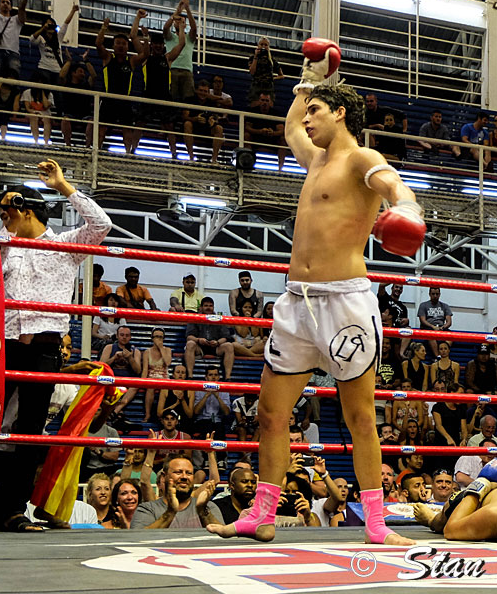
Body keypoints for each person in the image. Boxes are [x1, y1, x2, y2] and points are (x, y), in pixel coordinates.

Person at [208, 43, 424, 546]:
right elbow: (286, 129)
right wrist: (307, 81)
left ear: (341, 112)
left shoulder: (360, 159)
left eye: (316, 112)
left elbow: (393, 186)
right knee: (270, 413)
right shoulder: (315, 159)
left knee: (359, 417)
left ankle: (376, 524)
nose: (306, 121)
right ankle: (261, 516)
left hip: (345, 302)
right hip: (295, 302)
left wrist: (407, 209)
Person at [0, 160, 111, 535]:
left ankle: (14, 510)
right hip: (0, 346)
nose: (2, 218)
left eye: (7, 212)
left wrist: (63, 186)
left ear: (26, 211)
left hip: (43, 349)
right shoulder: (2, 246)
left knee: (29, 432)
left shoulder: (64, 246)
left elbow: (102, 225)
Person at [94, 11, 149, 152]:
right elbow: (98, 44)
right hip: (108, 99)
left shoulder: (130, 61)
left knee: (127, 130)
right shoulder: (108, 57)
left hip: (124, 100)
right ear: (113, 45)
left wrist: (146, 38)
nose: (120, 46)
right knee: (101, 129)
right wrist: (104, 28)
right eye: (118, 43)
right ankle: (97, 152)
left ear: (127, 47)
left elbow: (145, 54)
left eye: (123, 44)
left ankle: (128, 155)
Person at [137, 24, 186, 159]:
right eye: (155, 43)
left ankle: (174, 154)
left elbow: (182, 44)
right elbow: (136, 42)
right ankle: (131, 151)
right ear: (152, 45)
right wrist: (145, 35)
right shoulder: (146, 57)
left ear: (163, 45)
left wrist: (181, 28)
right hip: (148, 96)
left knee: (169, 126)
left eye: (160, 44)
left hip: (164, 97)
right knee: (140, 123)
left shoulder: (168, 58)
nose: (158, 46)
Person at [130, 455, 221, 528]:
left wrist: (202, 511)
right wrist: (170, 512)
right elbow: (137, 539)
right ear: (163, 476)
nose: (184, 477)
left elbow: (224, 539)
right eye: (178, 472)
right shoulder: (147, 509)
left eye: (189, 473)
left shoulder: (208, 507)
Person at [183, 296, 235, 379]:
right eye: (206, 306)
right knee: (190, 344)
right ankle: (190, 376)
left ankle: (227, 378)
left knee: (229, 346)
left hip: (216, 347)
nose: (208, 308)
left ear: (213, 307)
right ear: (201, 307)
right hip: (199, 347)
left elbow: (226, 337)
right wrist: (198, 340)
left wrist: (218, 342)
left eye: (210, 306)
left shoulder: (219, 319)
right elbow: (189, 336)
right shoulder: (194, 318)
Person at [464, 344, 497, 432]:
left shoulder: (494, 365)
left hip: (491, 394)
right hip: (477, 393)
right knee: (468, 392)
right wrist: (482, 393)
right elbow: (469, 382)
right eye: (482, 354)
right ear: (478, 354)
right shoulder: (472, 364)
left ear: (489, 355)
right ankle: (469, 422)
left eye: (486, 354)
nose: (484, 356)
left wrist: (496, 392)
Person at [29, 5, 78, 86]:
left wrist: (73, 11)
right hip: (44, 68)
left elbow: (66, 23)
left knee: (58, 94)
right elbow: (32, 40)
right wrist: (43, 29)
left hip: (58, 70)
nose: (50, 26)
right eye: (49, 24)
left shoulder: (58, 37)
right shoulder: (41, 38)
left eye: (52, 24)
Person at [59, 48, 98, 146]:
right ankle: (68, 145)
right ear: (73, 73)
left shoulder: (86, 85)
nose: (83, 74)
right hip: (70, 114)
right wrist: (69, 61)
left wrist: (86, 60)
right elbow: (61, 76)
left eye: (83, 72)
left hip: (85, 115)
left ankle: (88, 147)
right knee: (65, 120)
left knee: (92, 121)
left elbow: (94, 76)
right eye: (80, 71)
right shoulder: (67, 84)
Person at [163, 0, 198, 102]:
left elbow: (194, 28)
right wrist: (176, 13)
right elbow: (165, 28)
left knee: (188, 99)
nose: (179, 23)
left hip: (187, 71)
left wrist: (187, 8)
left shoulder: (189, 38)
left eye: (182, 21)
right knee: (171, 97)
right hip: (172, 69)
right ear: (174, 22)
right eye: (177, 21)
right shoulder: (170, 37)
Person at [183, 79, 224, 163]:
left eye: (205, 91)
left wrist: (212, 120)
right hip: (194, 127)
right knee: (187, 124)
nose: (202, 93)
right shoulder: (189, 100)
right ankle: (191, 157)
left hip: (207, 128)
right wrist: (195, 119)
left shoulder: (211, 103)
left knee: (219, 128)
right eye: (200, 90)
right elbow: (184, 116)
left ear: (208, 92)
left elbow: (216, 117)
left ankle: (214, 160)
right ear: (196, 90)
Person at [0, 0, 28, 78]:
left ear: (11, 7)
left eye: (8, 3)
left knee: (13, 80)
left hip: (13, 52)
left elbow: (22, 8)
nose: (5, 4)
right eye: (3, 2)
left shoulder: (16, 20)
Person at [244, 92, 286, 170]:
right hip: (256, 137)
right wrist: (259, 131)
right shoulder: (253, 111)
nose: (264, 103)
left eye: (267, 101)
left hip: (271, 139)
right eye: (262, 100)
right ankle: (248, 164)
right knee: (246, 136)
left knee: (283, 140)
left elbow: (281, 130)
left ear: (270, 102)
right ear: (259, 101)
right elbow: (247, 127)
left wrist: (273, 133)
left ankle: (280, 169)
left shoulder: (276, 113)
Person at [140, 327, 173, 422]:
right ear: (152, 338)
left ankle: (161, 416)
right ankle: (148, 414)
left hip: (164, 377)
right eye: (156, 337)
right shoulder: (147, 352)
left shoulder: (167, 350)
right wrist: (141, 382)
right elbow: (145, 369)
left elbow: (168, 363)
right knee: (150, 387)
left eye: (161, 337)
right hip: (152, 377)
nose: (158, 339)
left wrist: (161, 348)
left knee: (164, 389)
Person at [247, 37, 284, 107]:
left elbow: (281, 75)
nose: (263, 46)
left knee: (269, 105)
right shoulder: (252, 58)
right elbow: (252, 72)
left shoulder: (272, 60)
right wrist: (256, 56)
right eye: (261, 44)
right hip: (256, 85)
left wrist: (273, 78)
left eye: (266, 45)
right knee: (253, 105)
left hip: (268, 87)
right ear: (258, 45)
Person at [417, 287, 453, 357]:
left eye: (437, 294)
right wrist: (432, 327)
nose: (435, 296)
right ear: (429, 294)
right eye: (433, 294)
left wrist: (443, 327)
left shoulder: (445, 306)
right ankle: (438, 357)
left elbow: (449, 322)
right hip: (428, 328)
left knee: (450, 336)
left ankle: (444, 356)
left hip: (441, 328)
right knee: (431, 335)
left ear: (439, 294)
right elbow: (422, 320)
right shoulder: (423, 305)